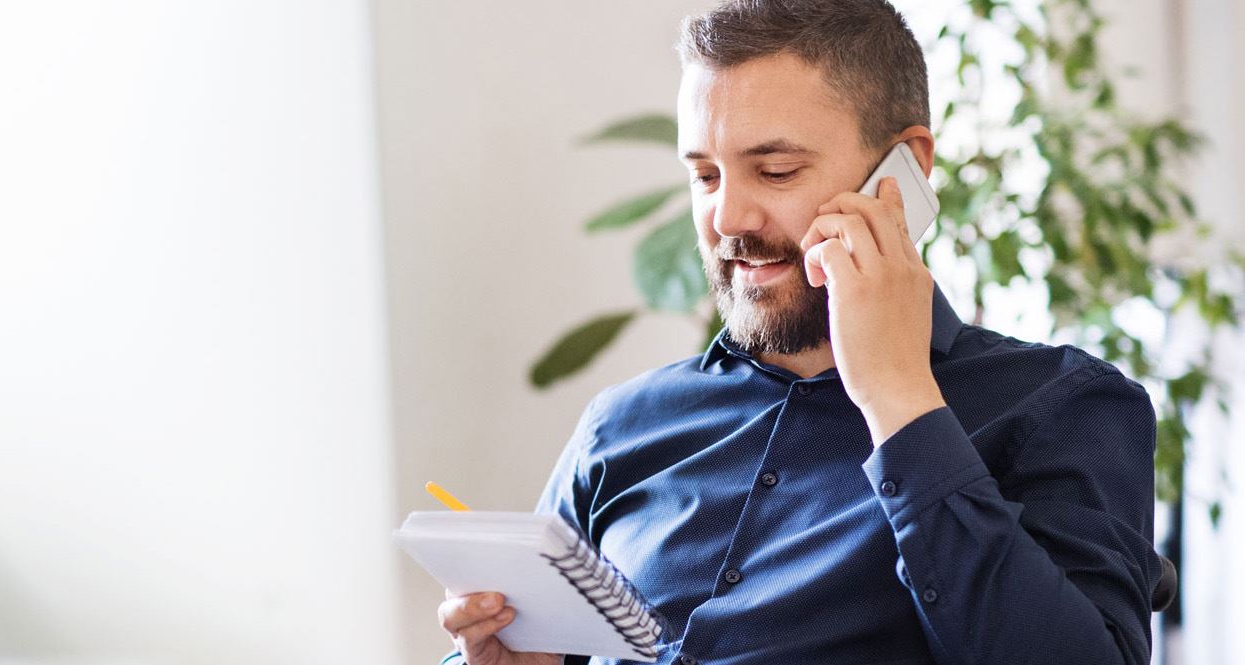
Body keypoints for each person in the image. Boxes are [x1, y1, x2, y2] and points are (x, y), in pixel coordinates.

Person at [437, 1, 1158, 663]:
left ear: (906, 171)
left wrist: (898, 399)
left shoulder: (1064, 406)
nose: (728, 219)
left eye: (775, 170)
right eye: (707, 176)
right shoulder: (619, 428)